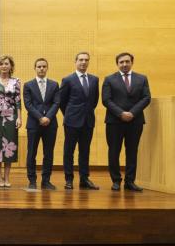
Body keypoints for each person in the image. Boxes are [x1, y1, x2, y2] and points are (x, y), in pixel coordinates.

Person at [102, 52, 151, 192]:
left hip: (135, 121)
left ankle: (130, 181)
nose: (124, 64)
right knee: (114, 151)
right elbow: (106, 100)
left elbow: (146, 98)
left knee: (132, 151)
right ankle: (116, 181)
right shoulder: (109, 79)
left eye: (127, 61)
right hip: (114, 122)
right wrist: (121, 113)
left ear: (132, 62)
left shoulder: (142, 79)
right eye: (121, 62)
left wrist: (132, 113)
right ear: (117, 64)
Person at [60, 52, 99, 190]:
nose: (83, 62)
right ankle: (69, 179)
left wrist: (85, 113)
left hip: (88, 121)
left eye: (86, 60)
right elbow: (62, 102)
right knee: (68, 151)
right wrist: (71, 114)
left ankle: (84, 179)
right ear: (75, 61)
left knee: (85, 151)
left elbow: (94, 101)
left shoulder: (94, 80)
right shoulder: (67, 80)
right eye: (81, 60)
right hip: (72, 121)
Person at [23, 58, 61, 190]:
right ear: (35, 68)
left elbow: (57, 103)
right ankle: (32, 180)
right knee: (32, 153)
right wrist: (40, 117)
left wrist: (48, 117)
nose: (41, 69)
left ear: (47, 68)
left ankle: (46, 181)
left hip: (50, 124)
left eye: (44, 66)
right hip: (34, 123)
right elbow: (28, 104)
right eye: (39, 66)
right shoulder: (28, 85)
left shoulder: (54, 84)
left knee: (48, 153)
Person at [0, 55, 22, 188]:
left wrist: (19, 117)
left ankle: (7, 177)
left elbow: (18, 101)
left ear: (11, 66)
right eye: (1, 64)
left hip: (11, 118)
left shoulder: (16, 81)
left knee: (9, 147)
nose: (4, 66)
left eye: (7, 64)